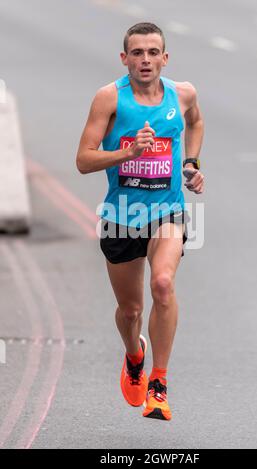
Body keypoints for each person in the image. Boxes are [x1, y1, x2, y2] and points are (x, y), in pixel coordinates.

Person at [76, 22, 204, 421]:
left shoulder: (183, 95)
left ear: (165, 58)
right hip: (122, 217)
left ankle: (159, 384)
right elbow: (83, 160)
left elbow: (196, 123)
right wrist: (127, 153)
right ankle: (135, 355)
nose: (145, 60)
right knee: (130, 311)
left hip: (168, 210)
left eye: (153, 53)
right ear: (124, 58)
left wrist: (191, 164)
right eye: (137, 53)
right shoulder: (109, 98)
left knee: (163, 284)